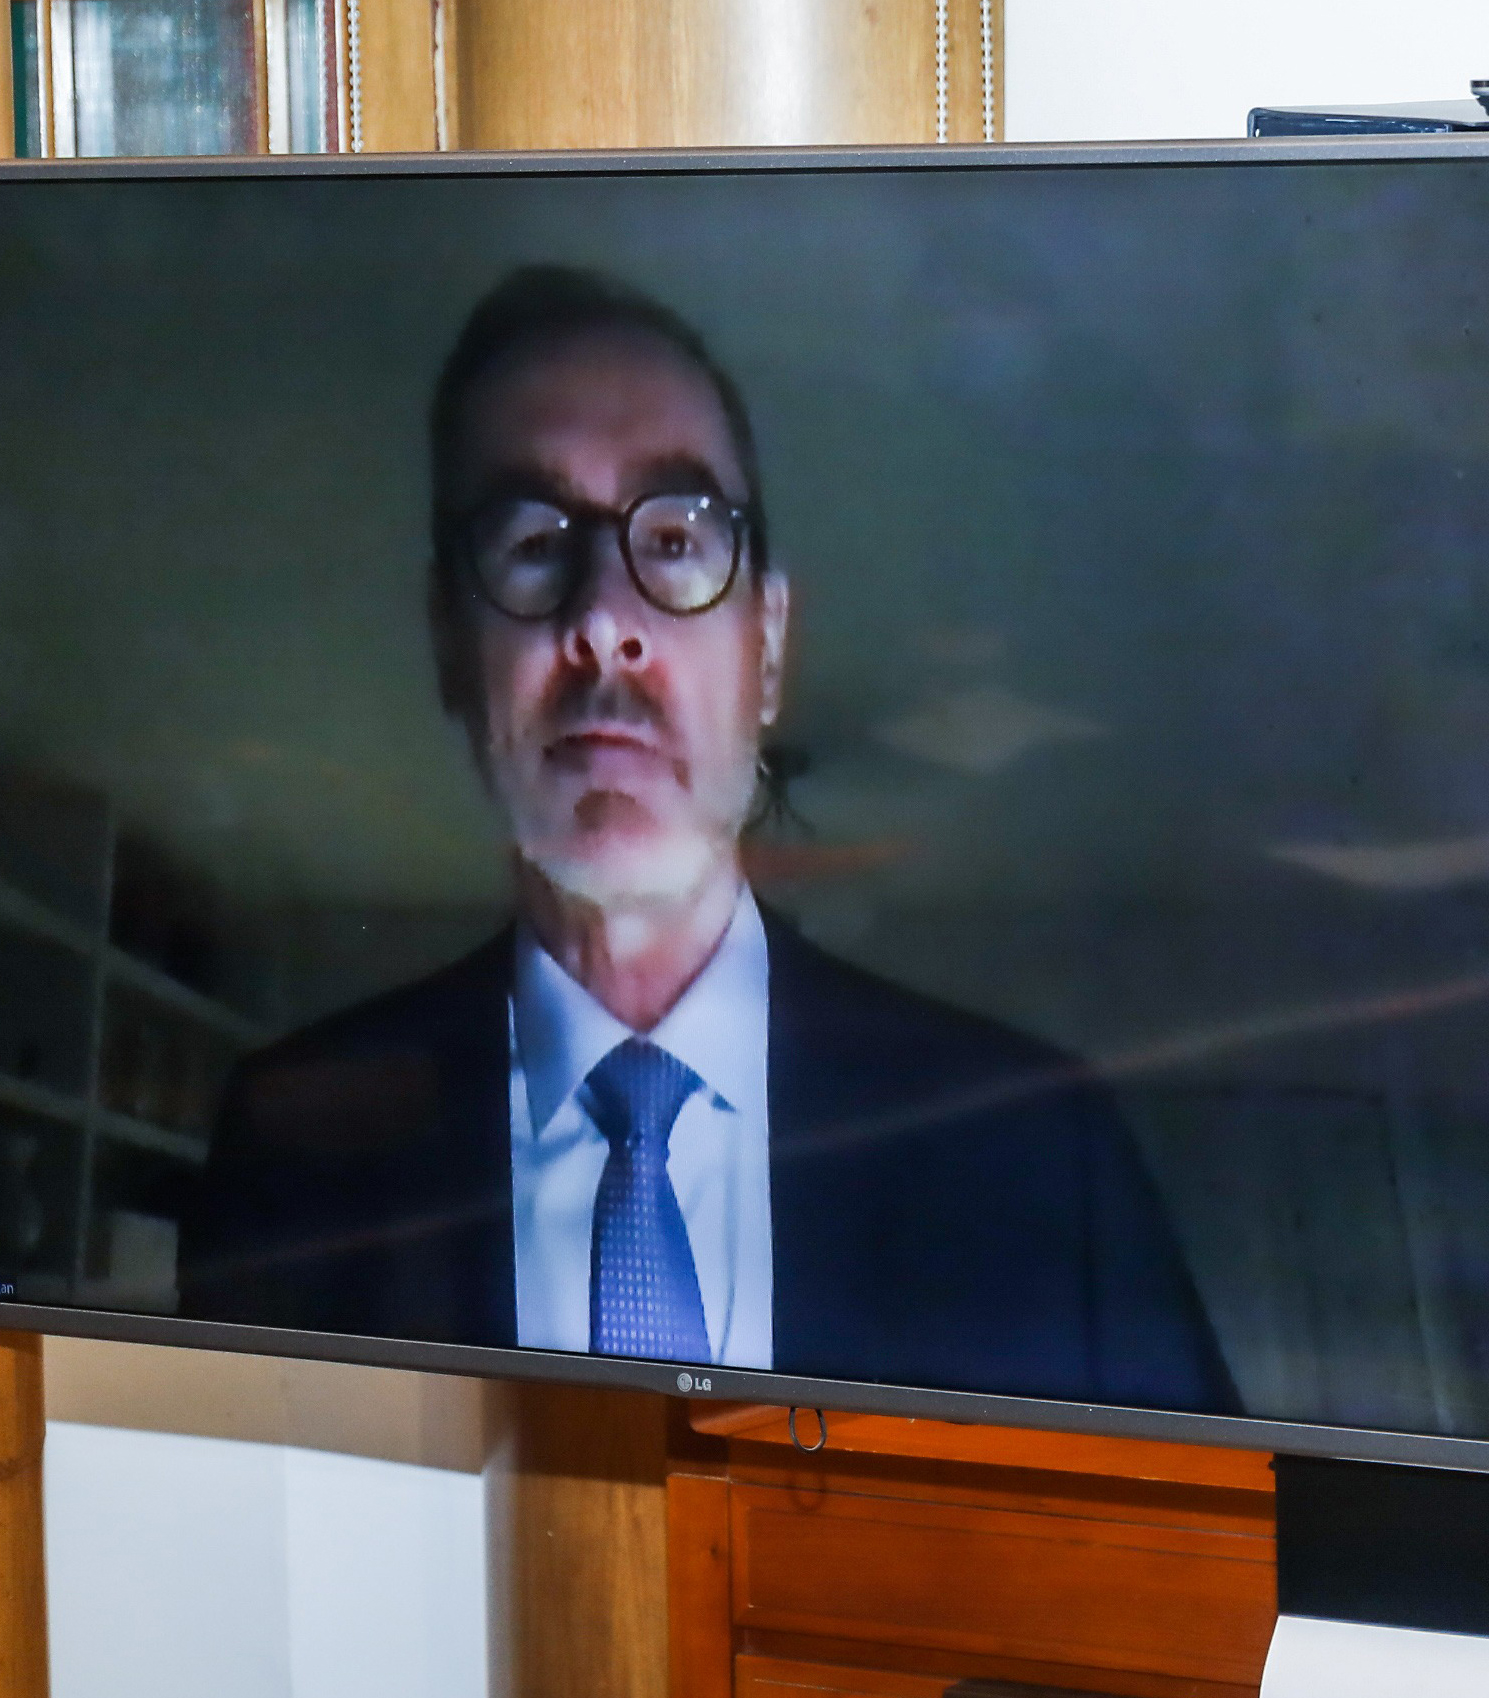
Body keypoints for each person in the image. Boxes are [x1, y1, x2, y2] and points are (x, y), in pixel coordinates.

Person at [180, 266, 1233, 1411]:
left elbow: (1191, 1572)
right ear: (448, 643)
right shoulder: (290, 1153)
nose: (602, 626)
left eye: (676, 540)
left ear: (767, 646)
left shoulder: (1039, 1150)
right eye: (533, 544)